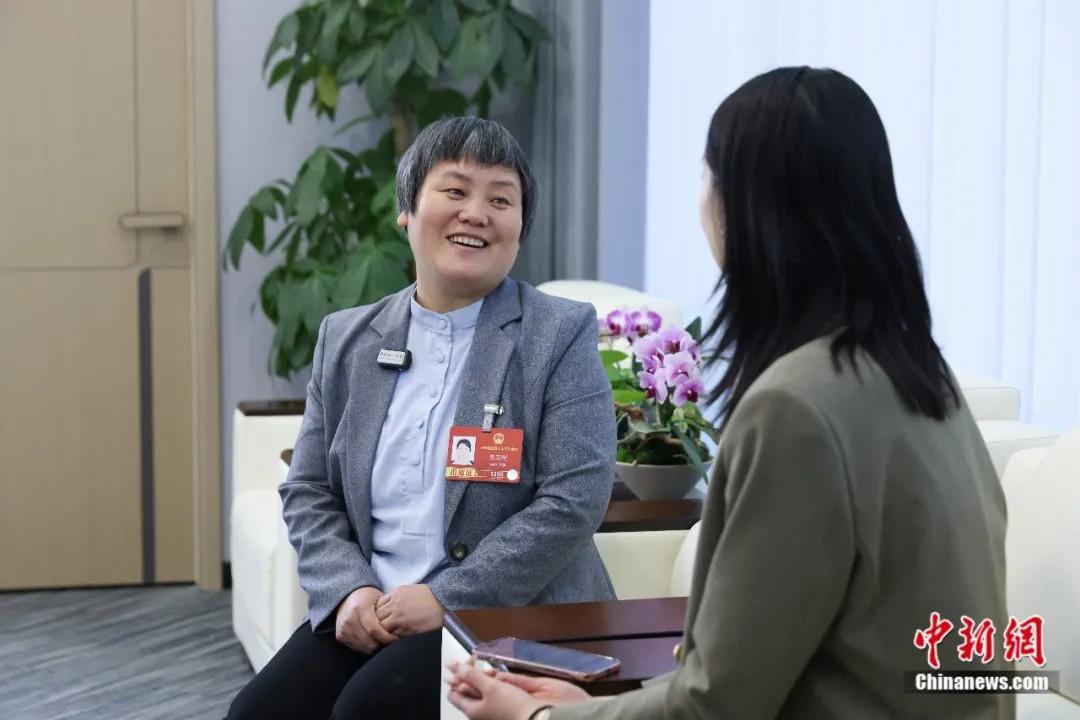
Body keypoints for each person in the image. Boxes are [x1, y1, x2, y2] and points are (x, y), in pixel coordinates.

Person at [449, 67, 1014, 719]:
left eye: (707, 175)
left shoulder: (796, 408)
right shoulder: (920, 373)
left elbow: (718, 706)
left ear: (748, 207)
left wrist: (540, 718)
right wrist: (589, 708)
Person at [227, 116, 617, 719]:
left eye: (500, 200)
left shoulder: (558, 333)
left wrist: (445, 597)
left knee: (368, 708)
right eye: (455, 190)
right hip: (373, 606)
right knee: (258, 713)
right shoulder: (346, 338)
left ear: (520, 229)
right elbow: (308, 489)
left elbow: (573, 501)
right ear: (406, 210)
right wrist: (348, 589)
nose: (476, 213)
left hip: (508, 613)